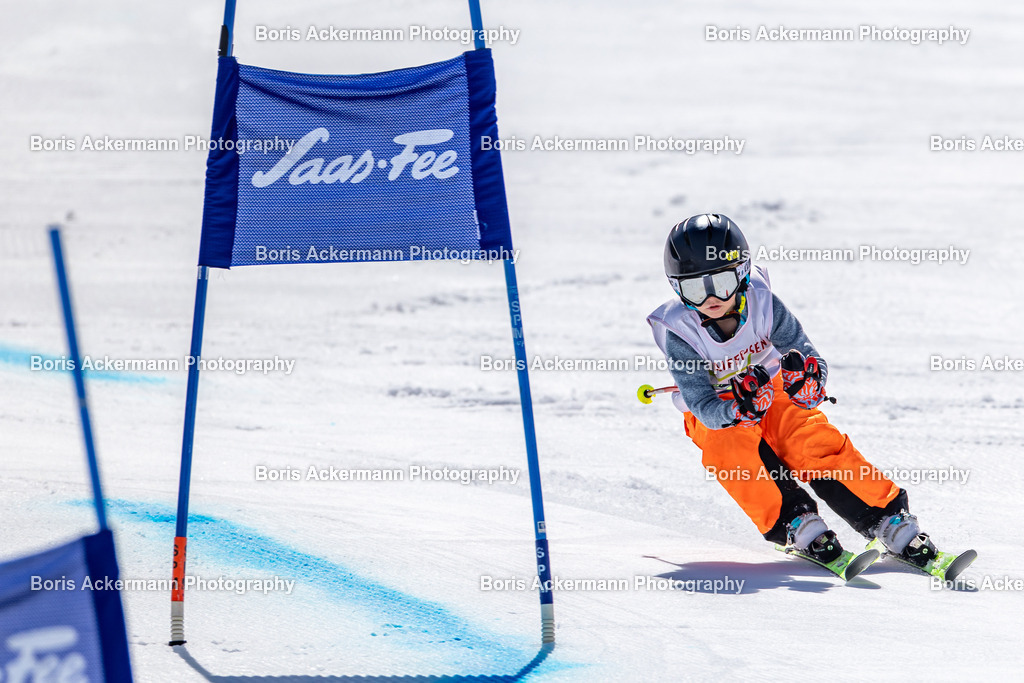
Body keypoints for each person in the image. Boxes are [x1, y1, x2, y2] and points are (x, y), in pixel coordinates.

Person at [647, 213, 936, 566]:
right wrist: (735, 411)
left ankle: (886, 517)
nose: (710, 298)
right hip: (717, 411)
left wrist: (809, 385)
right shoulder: (680, 331)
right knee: (731, 447)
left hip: (772, 388)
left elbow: (805, 354)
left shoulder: (763, 302)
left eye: (721, 282)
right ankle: (795, 522)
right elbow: (701, 402)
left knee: (807, 438)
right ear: (676, 287)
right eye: (694, 287)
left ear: (740, 272)